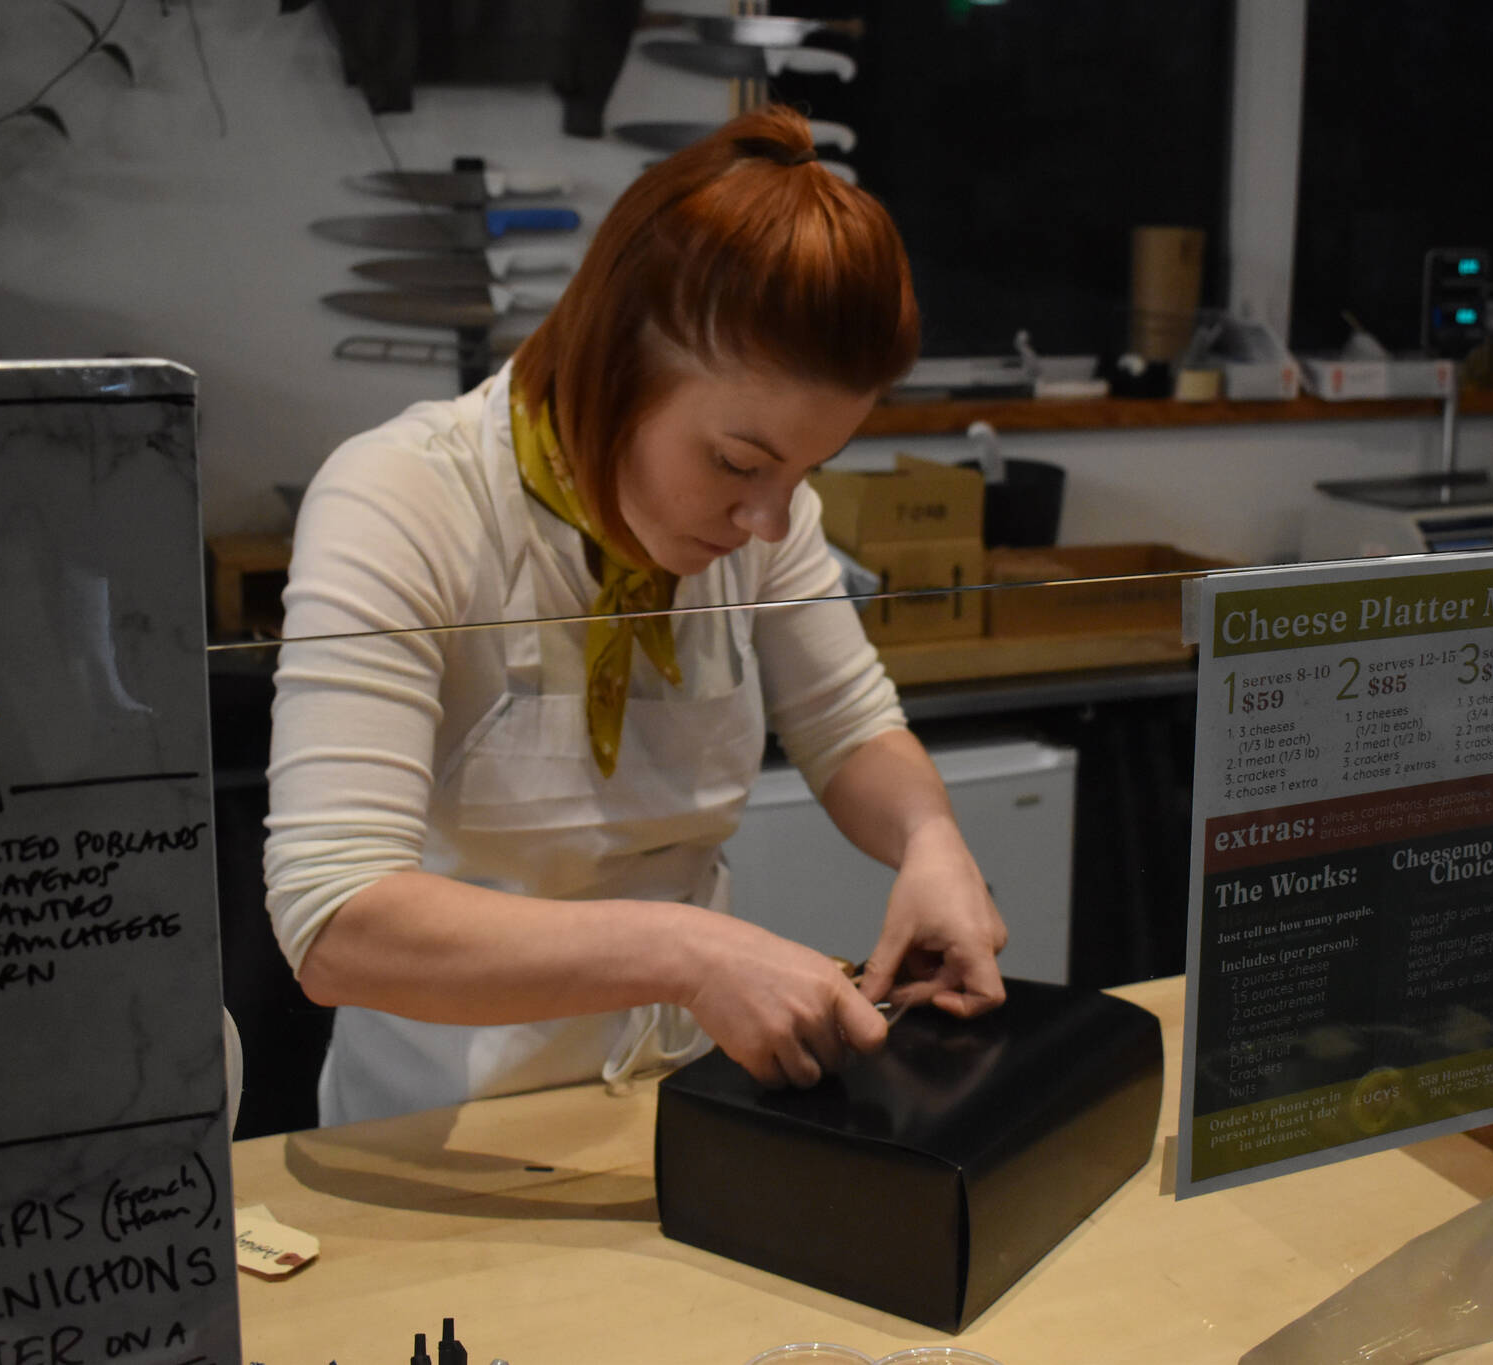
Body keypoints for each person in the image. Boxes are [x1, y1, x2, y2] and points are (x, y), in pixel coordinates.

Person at [264, 106, 1010, 1126]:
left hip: (684, 1112)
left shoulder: (763, 519)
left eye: (806, 471)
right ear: (615, 361)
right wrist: (690, 952)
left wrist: (932, 843)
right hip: (435, 1135)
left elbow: (847, 728)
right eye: (738, 464)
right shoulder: (402, 498)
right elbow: (336, 922)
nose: (769, 517)